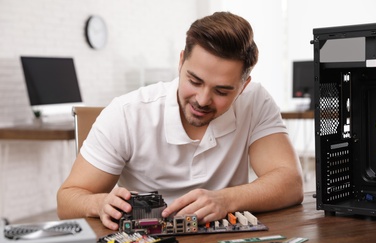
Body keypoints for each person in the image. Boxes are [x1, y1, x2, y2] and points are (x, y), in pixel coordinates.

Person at [57, 11, 303, 230]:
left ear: (243, 87)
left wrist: (226, 200)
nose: (202, 99)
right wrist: (98, 202)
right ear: (181, 61)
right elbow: (66, 199)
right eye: (194, 81)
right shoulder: (127, 113)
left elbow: (290, 182)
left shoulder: (255, 100)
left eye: (222, 91)